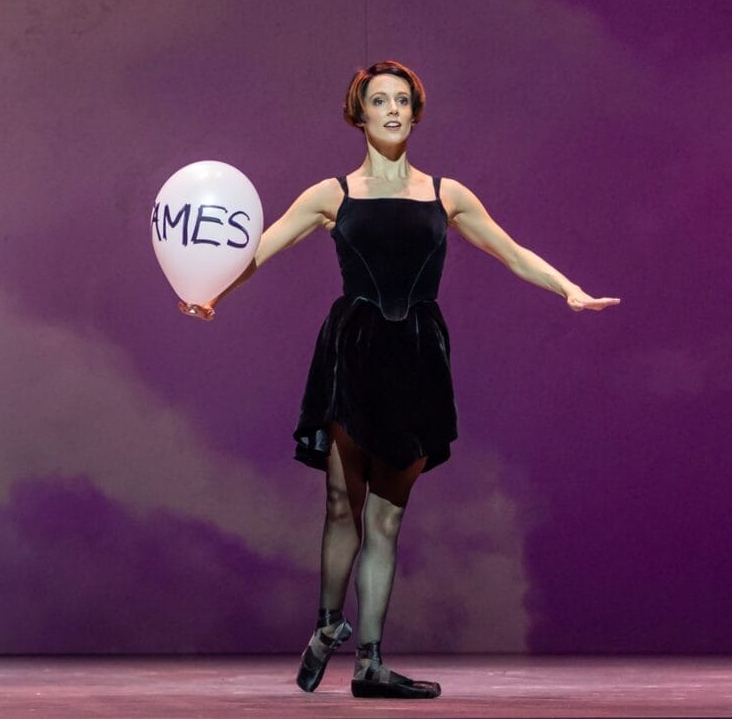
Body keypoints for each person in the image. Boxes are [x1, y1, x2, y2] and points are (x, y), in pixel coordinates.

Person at [181, 61, 618, 699]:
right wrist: (208, 292)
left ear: (416, 112)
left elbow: (512, 250)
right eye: (379, 100)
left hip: (415, 357)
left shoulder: (447, 194)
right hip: (352, 350)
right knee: (340, 503)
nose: (391, 110)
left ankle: (371, 663)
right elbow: (259, 250)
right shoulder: (331, 194)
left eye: (403, 101)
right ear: (358, 113)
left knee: (387, 520)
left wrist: (569, 290)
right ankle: (328, 625)